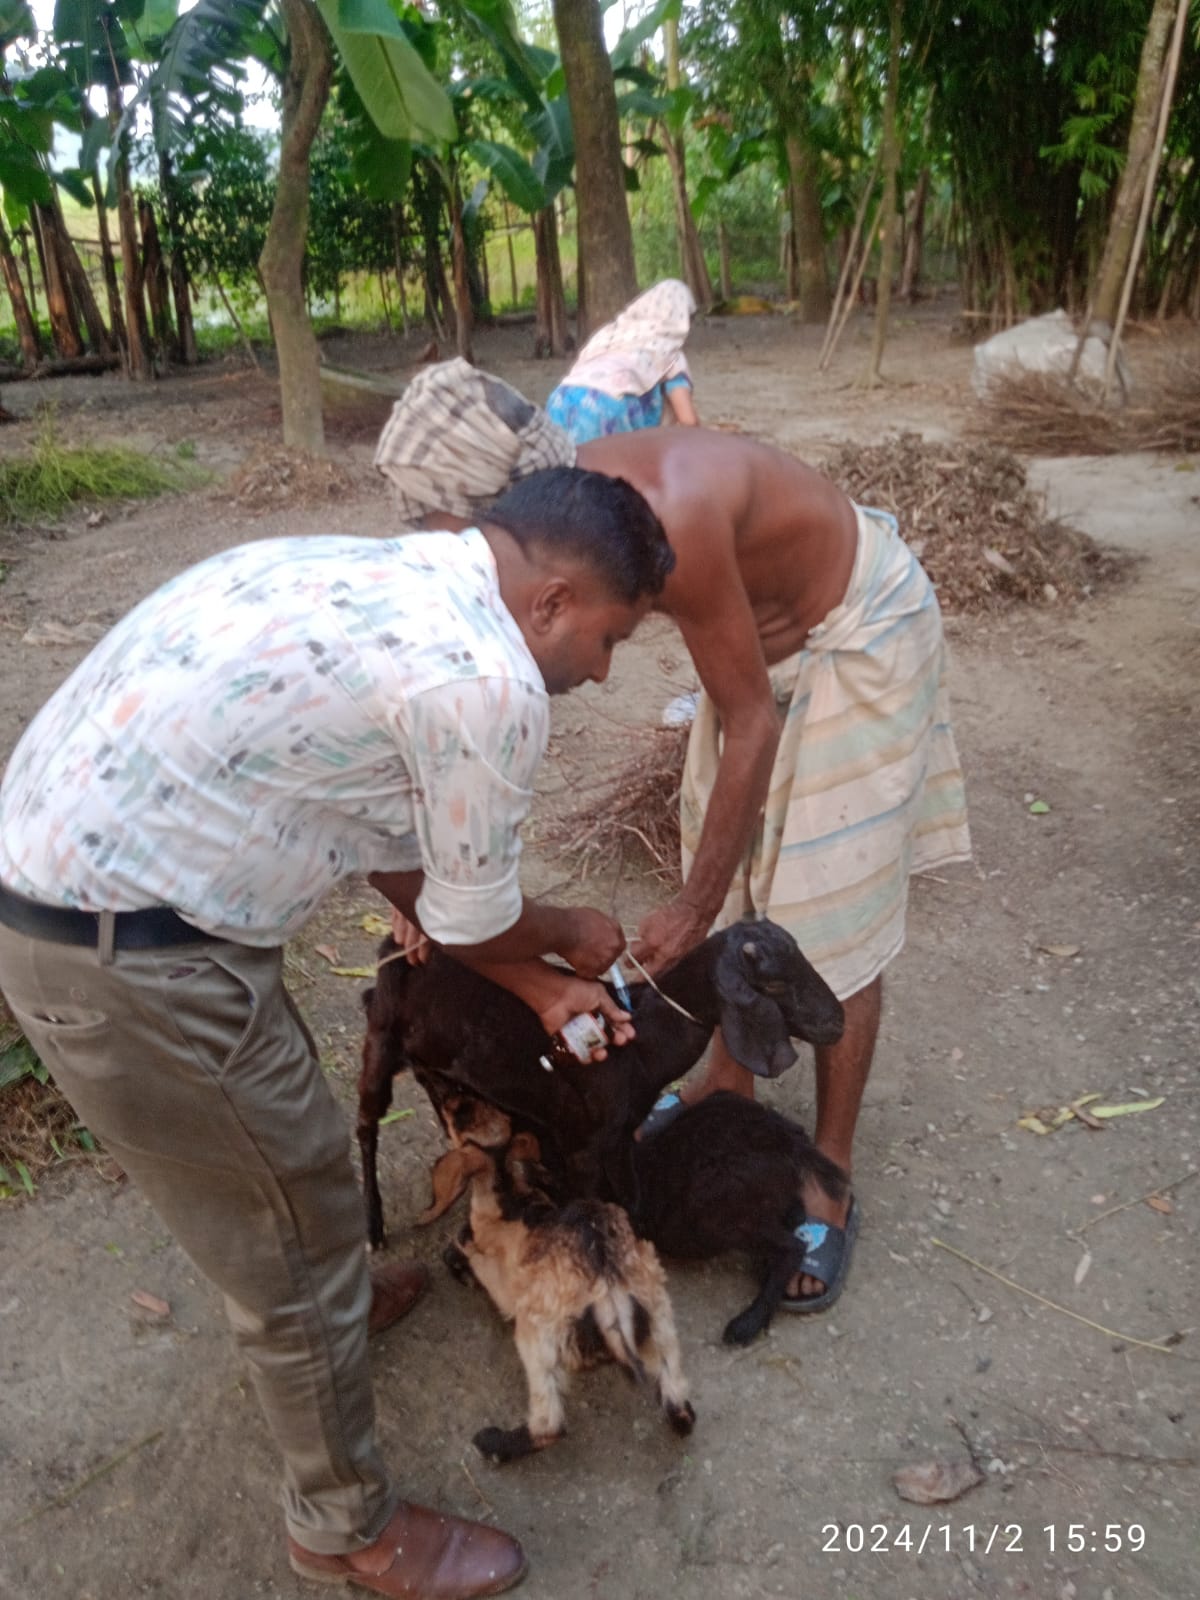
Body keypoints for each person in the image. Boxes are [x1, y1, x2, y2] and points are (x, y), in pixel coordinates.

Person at [0, 467, 675, 1600]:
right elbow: (467, 914)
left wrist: (533, 977)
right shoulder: (485, 679)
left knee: (294, 1154)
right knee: (292, 1229)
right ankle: (343, 1528)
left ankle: (336, 1306)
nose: (602, 673)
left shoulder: (366, 575)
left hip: (101, 889)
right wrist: (567, 932)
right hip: (129, 954)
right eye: (612, 638)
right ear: (553, 601)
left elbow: (370, 827)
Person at [374, 391, 972, 1318]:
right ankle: (722, 1087)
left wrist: (691, 908)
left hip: (857, 636)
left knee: (824, 912)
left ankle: (831, 1173)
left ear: (517, 509)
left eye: (458, 532)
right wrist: (419, 885)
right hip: (756, 665)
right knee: (728, 873)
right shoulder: (574, 521)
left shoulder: (669, 514)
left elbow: (749, 719)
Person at [545, 279, 700, 443]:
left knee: (564, 466)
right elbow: (688, 421)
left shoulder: (609, 336)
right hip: (607, 407)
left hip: (560, 400)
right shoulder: (667, 352)